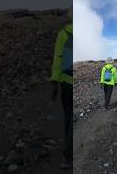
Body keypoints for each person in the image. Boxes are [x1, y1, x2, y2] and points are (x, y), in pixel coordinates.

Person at [50, 11, 73, 169]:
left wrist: (54, 83)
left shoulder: (63, 34)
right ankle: (69, 152)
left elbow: (58, 59)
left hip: (66, 83)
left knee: (68, 118)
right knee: (73, 120)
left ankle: (68, 154)